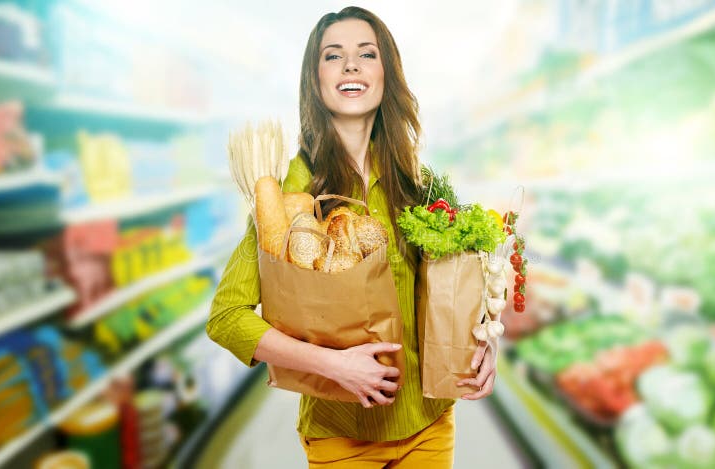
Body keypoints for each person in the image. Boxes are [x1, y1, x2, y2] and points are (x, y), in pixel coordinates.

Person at [206, 6, 497, 468]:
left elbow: (449, 291)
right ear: (315, 80)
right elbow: (226, 318)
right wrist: (335, 366)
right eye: (332, 56)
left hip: (429, 424)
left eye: (367, 53)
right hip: (341, 436)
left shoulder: (417, 182)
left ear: (387, 74)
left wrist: (483, 343)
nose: (351, 65)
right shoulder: (287, 194)